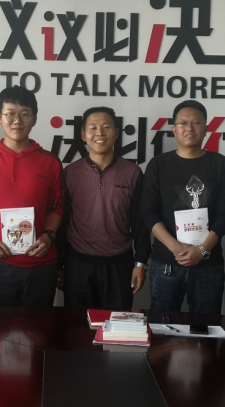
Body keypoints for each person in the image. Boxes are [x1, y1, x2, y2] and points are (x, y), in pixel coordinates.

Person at [0, 86, 64, 307]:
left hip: (41, 264)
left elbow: (57, 206)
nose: (17, 121)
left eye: (25, 114)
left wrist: (48, 236)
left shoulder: (50, 162)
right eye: (10, 114)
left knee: (39, 327)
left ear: (34, 119)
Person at [141, 100, 225, 313]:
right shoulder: (158, 164)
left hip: (208, 264)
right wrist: (175, 247)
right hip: (167, 262)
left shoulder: (220, 164)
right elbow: (148, 212)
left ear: (207, 128)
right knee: (162, 326)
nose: (190, 128)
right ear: (174, 130)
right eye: (183, 123)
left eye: (196, 123)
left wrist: (202, 249)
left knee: (206, 326)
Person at [58, 106, 151, 310]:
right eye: (92, 128)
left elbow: (141, 222)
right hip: (78, 264)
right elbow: (62, 222)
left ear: (116, 133)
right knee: (77, 325)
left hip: (119, 265)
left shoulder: (132, 173)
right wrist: (59, 265)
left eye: (106, 127)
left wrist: (141, 262)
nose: (99, 133)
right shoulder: (70, 173)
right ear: (83, 135)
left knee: (117, 326)